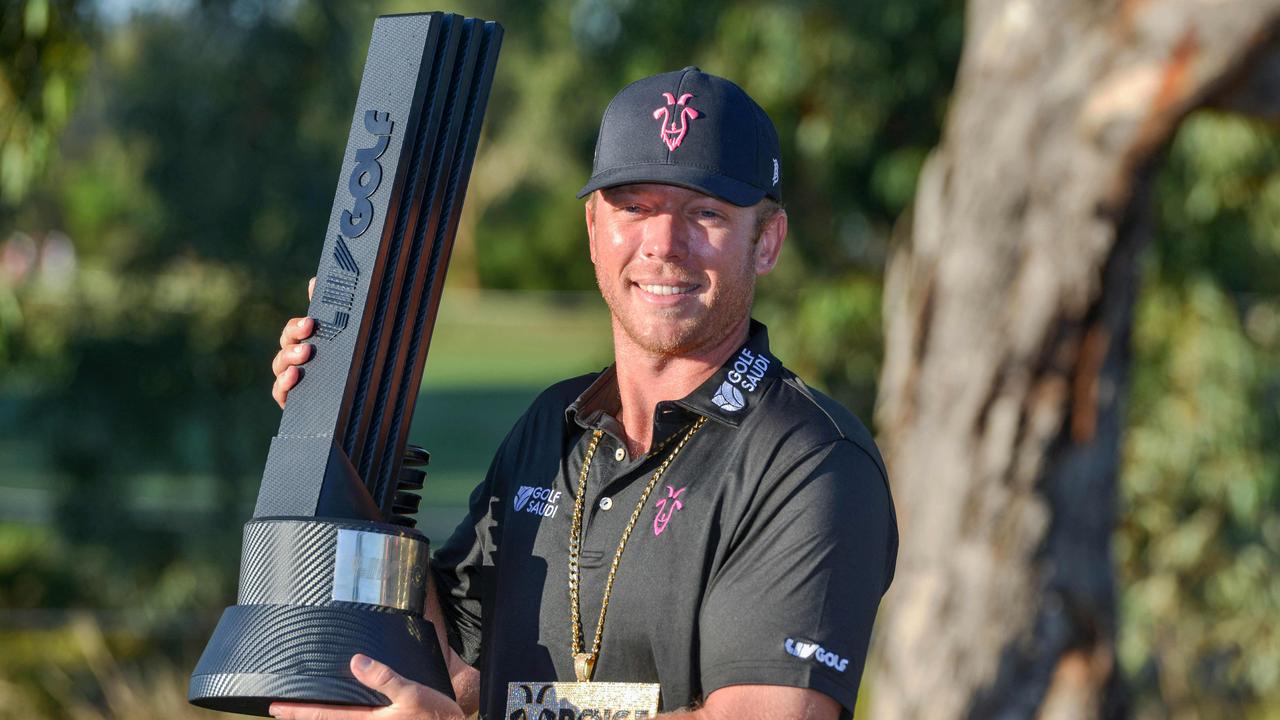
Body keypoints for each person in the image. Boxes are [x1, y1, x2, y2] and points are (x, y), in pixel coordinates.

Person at [267, 67, 897, 720]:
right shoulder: (551, 427)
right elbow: (452, 671)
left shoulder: (812, 460)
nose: (662, 244)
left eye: (705, 213)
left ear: (766, 242)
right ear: (594, 228)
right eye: (635, 208)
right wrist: (350, 439)